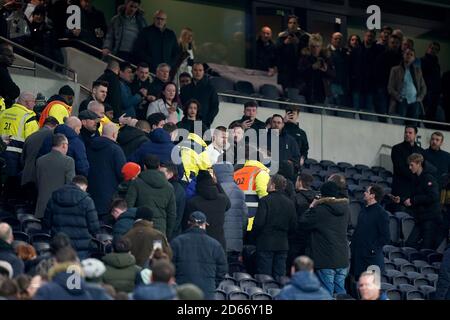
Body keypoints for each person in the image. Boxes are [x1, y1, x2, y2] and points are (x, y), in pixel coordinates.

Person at [299, 181, 350, 296]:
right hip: (342, 257)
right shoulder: (345, 209)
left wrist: (312, 206)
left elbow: (303, 222)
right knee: (341, 292)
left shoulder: (320, 209)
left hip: (326, 258)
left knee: (326, 293)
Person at [171, 211, 227, 300]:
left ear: (189, 223)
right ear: (205, 224)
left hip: (183, 292)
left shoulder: (177, 242)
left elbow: (170, 267)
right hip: (207, 292)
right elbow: (222, 270)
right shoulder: (215, 245)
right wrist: (211, 285)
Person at [43, 175, 100, 259]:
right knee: (79, 271)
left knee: (60, 270)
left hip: (60, 244)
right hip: (81, 247)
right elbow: (94, 227)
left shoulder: (54, 198)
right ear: (83, 186)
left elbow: (46, 223)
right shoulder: (87, 201)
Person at [393, 153, 441, 249]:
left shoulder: (428, 178)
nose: (410, 168)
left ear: (419, 164)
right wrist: (401, 200)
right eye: (409, 165)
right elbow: (413, 199)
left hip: (430, 219)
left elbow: (433, 197)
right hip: (420, 218)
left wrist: (414, 200)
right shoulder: (416, 179)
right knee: (410, 244)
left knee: (425, 248)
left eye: (412, 165)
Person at [253, 174, 296, 278]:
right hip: (282, 244)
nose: (266, 185)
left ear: (272, 185)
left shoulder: (265, 201)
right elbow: (294, 226)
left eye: (268, 183)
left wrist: (254, 237)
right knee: (280, 277)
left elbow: (259, 223)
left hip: (265, 243)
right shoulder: (290, 203)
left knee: (265, 277)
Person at [125, 155, 176, 238]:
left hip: (140, 229)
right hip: (159, 230)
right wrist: (167, 233)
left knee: (141, 250)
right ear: (159, 167)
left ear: (144, 167)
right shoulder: (169, 187)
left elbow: (129, 207)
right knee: (157, 250)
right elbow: (171, 214)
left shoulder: (136, 183)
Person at [0, 92, 39, 199]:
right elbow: (33, 141)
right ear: (27, 103)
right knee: (12, 194)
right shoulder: (29, 117)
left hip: (1, 154)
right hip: (17, 160)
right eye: (33, 101)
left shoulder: (3, 113)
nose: (35, 104)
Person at [350, 184, 390, 280]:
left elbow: (385, 237)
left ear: (373, 195)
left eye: (367, 192)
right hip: (359, 257)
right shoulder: (364, 210)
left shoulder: (381, 213)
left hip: (371, 259)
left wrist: (372, 249)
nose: (364, 193)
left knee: (371, 291)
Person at [87, 123, 127, 221]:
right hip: (109, 196)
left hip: (90, 193)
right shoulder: (116, 149)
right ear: (114, 134)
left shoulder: (89, 146)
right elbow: (122, 172)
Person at [213, 163, 247, 268]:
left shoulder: (215, 190)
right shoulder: (240, 191)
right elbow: (245, 218)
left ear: (218, 174)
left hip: (219, 240)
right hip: (235, 243)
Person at [185, 170, 230, 248]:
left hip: (200, 244)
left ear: (198, 185)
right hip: (219, 242)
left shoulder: (193, 202)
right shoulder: (222, 199)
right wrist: (217, 184)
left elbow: (186, 224)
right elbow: (228, 205)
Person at [35, 133, 75, 219]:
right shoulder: (68, 161)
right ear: (64, 145)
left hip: (41, 208)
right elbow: (70, 186)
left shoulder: (40, 160)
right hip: (59, 209)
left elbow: (38, 183)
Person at [20, 116, 59, 205]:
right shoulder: (52, 137)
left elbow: (22, 159)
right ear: (55, 126)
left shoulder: (30, 137)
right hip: (41, 177)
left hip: (26, 176)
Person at [234, 146, 270, 231]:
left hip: (237, 218)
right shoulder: (260, 173)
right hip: (254, 219)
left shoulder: (236, 173)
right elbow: (264, 197)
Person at [388, 48, 427, 123]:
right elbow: (390, 87)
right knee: (399, 124)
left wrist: (419, 98)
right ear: (403, 55)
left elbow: (424, 87)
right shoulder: (395, 69)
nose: (409, 56)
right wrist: (398, 98)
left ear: (414, 58)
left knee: (412, 126)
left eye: (411, 55)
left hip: (414, 101)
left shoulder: (418, 70)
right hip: (401, 100)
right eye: (407, 54)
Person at [298, 33, 335, 106]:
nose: (315, 49)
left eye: (317, 46)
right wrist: (312, 68)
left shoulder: (326, 58)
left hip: (322, 91)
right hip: (308, 90)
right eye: (313, 47)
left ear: (321, 47)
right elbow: (299, 73)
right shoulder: (304, 58)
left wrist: (326, 70)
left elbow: (333, 74)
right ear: (309, 46)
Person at [391, 126, 424, 208]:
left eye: (410, 133)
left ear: (415, 134)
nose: (407, 134)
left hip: (415, 190)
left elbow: (422, 168)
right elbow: (399, 168)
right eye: (406, 132)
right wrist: (416, 175)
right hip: (400, 189)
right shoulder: (396, 148)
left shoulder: (421, 151)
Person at [288, 173, 316, 268]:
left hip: (295, 238)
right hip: (311, 239)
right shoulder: (317, 198)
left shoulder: (294, 197)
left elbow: (291, 218)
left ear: (299, 182)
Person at [349, 30, 380, 113]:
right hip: (357, 85)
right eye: (368, 36)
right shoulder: (356, 50)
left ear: (374, 38)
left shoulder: (378, 51)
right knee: (356, 110)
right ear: (364, 36)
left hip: (370, 86)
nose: (369, 38)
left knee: (368, 111)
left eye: (371, 36)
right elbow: (351, 66)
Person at [276, 15, 310, 91]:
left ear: (298, 25)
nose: (292, 25)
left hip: (299, 71)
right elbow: (276, 51)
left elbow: (308, 52)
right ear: (288, 24)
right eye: (290, 23)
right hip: (285, 71)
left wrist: (298, 42)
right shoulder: (282, 36)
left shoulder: (304, 37)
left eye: (294, 23)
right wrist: (284, 43)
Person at [180, 63, 219, 128]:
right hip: (186, 123)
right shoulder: (185, 89)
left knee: (199, 138)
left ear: (203, 72)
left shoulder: (210, 89)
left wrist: (207, 121)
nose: (198, 72)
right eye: (195, 70)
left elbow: (215, 107)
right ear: (191, 71)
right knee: (185, 138)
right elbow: (182, 105)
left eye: (200, 70)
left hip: (202, 124)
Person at [374, 34, 402, 116]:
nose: (394, 44)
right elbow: (377, 72)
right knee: (383, 111)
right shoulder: (381, 56)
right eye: (392, 42)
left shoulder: (401, 58)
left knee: (393, 113)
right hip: (382, 86)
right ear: (389, 43)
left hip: (396, 89)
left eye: (397, 43)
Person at [158, 163, 186, 239]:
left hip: (168, 232)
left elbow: (178, 215)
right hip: (171, 232)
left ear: (170, 174)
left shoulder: (174, 190)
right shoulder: (180, 190)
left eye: (162, 173)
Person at [421, 42, 441, 124]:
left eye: (436, 49)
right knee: (424, 112)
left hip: (435, 92)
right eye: (432, 48)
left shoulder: (437, 64)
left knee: (432, 114)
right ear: (428, 48)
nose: (433, 50)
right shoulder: (422, 60)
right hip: (425, 91)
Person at [328, 32, 349, 108]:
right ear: (332, 39)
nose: (338, 40)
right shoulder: (326, 51)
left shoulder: (345, 52)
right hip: (330, 83)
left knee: (341, 106)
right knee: (331, 105)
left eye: (339, 39)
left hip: (342, 83)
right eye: (336, 38)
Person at [0, 43, 20, 108]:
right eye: (10, 56)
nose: (13, 58)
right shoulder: (2, 70)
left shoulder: (3, 69)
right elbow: (13, 92)